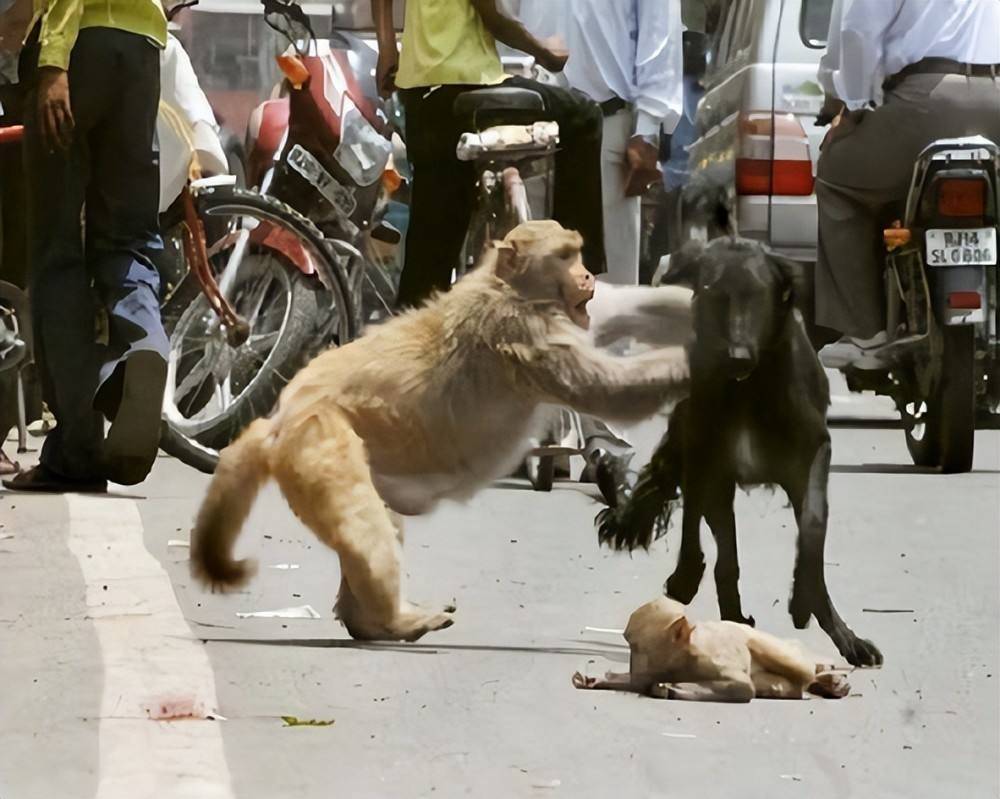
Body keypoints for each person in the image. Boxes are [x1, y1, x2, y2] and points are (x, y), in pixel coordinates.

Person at [3, 0, 169, 493]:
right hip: (142, 48)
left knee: (56, 254)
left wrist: (53, 59)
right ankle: (143, 344)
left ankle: (76, 451)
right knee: (130, 237)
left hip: (78, 49)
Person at [371, 0, 607, 309]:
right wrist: (546, 53)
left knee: (429, 261)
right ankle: (573, 267)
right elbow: (493, 15)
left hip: (421, 94)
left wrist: (387, 48)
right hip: (467, 84)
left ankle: (406, 345)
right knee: (585, 117)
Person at [814, 0, 1000, 353]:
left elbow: (858, 33)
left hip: (923, 104)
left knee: (836, 180)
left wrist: (853, 106)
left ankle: (864, 332)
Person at [518, 0, 683, 285]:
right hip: (530, 122)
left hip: (606, 123)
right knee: (528, 276)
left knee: (607, 286)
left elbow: (659, 34)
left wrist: (648, 127)